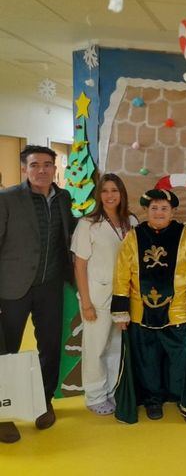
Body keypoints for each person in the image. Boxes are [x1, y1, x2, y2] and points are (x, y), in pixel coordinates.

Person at [0, 145, 77, 444]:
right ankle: (4, 412)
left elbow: (69, 232)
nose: (42, 170)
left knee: (50, 346)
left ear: (55, 168)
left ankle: (43, 402)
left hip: (50, 285)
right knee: (6, 352)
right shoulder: (7, 199)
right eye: (35, 165)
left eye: (48, 164)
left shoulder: (63, 197)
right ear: (24, 169)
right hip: (12, 287)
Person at [111, 189, 186, 422]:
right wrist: (121, 312)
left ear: (173, 211)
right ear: (146, 211)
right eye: (154, 208)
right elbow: (122, 274)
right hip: (140, 312)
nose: (159, 212)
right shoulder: (134, 236)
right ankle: (153, 400)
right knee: (148, 361)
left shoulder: (185, 235)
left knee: (180, 361)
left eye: (164, 208)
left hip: (178, 312)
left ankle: (183, 398)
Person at [71, 174, 138, 415]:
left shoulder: (130, 221)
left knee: (115, 347)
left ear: (122, 193)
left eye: (115, 190)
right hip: (97, 297)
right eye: (105, 191)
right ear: (99, 195)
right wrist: (86, 302)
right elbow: (79, 265)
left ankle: (111, 391)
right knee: (96, 348)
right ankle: (95, 395)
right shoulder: (88, 223)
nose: (110, 195)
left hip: (124, 297)